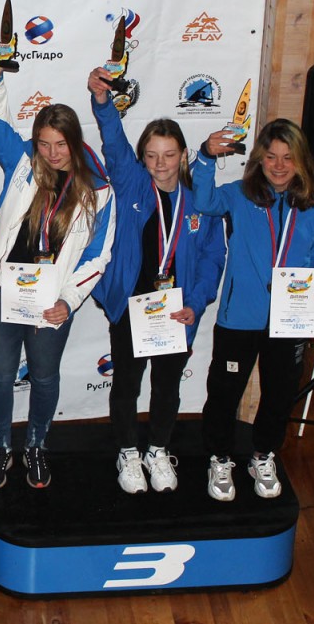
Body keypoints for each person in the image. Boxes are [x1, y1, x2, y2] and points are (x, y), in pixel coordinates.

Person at [0, 52, 116, 489]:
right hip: (0, 289)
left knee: (45, 376)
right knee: (0, 375)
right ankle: (1, 445)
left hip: (51, 300)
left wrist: (67, 301)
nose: (52, 154)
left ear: (75, 141)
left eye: (61, 144)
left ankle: (36, 445)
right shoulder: (22, 162)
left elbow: (97, 256)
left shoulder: (99, 191)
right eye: (44, 143)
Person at [88, 68, 225, 494]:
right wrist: (102, 102)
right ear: (142, 158)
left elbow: (213, 258)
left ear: (183, 155)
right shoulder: (132, 184)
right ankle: (128, 451)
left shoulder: (200, 199)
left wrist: (196, 303)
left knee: (167, 388)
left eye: (168, 154)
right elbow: (113, 141)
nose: (160, 164)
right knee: (127, 385)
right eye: (151, 155)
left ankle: (158, 449)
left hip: (177, 311)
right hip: (132, 307)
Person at [194, 118, 314, 501]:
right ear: (259, 159)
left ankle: (263, 455)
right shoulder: (239, 195)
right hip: (239, 317)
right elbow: (203, 201)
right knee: (224, 392)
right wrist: (206, 156)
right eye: (271, 156)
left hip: (291, 319)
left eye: (288, 157)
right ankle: (219, 458)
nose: (279, 165)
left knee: (279, 395)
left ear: (300, 161)